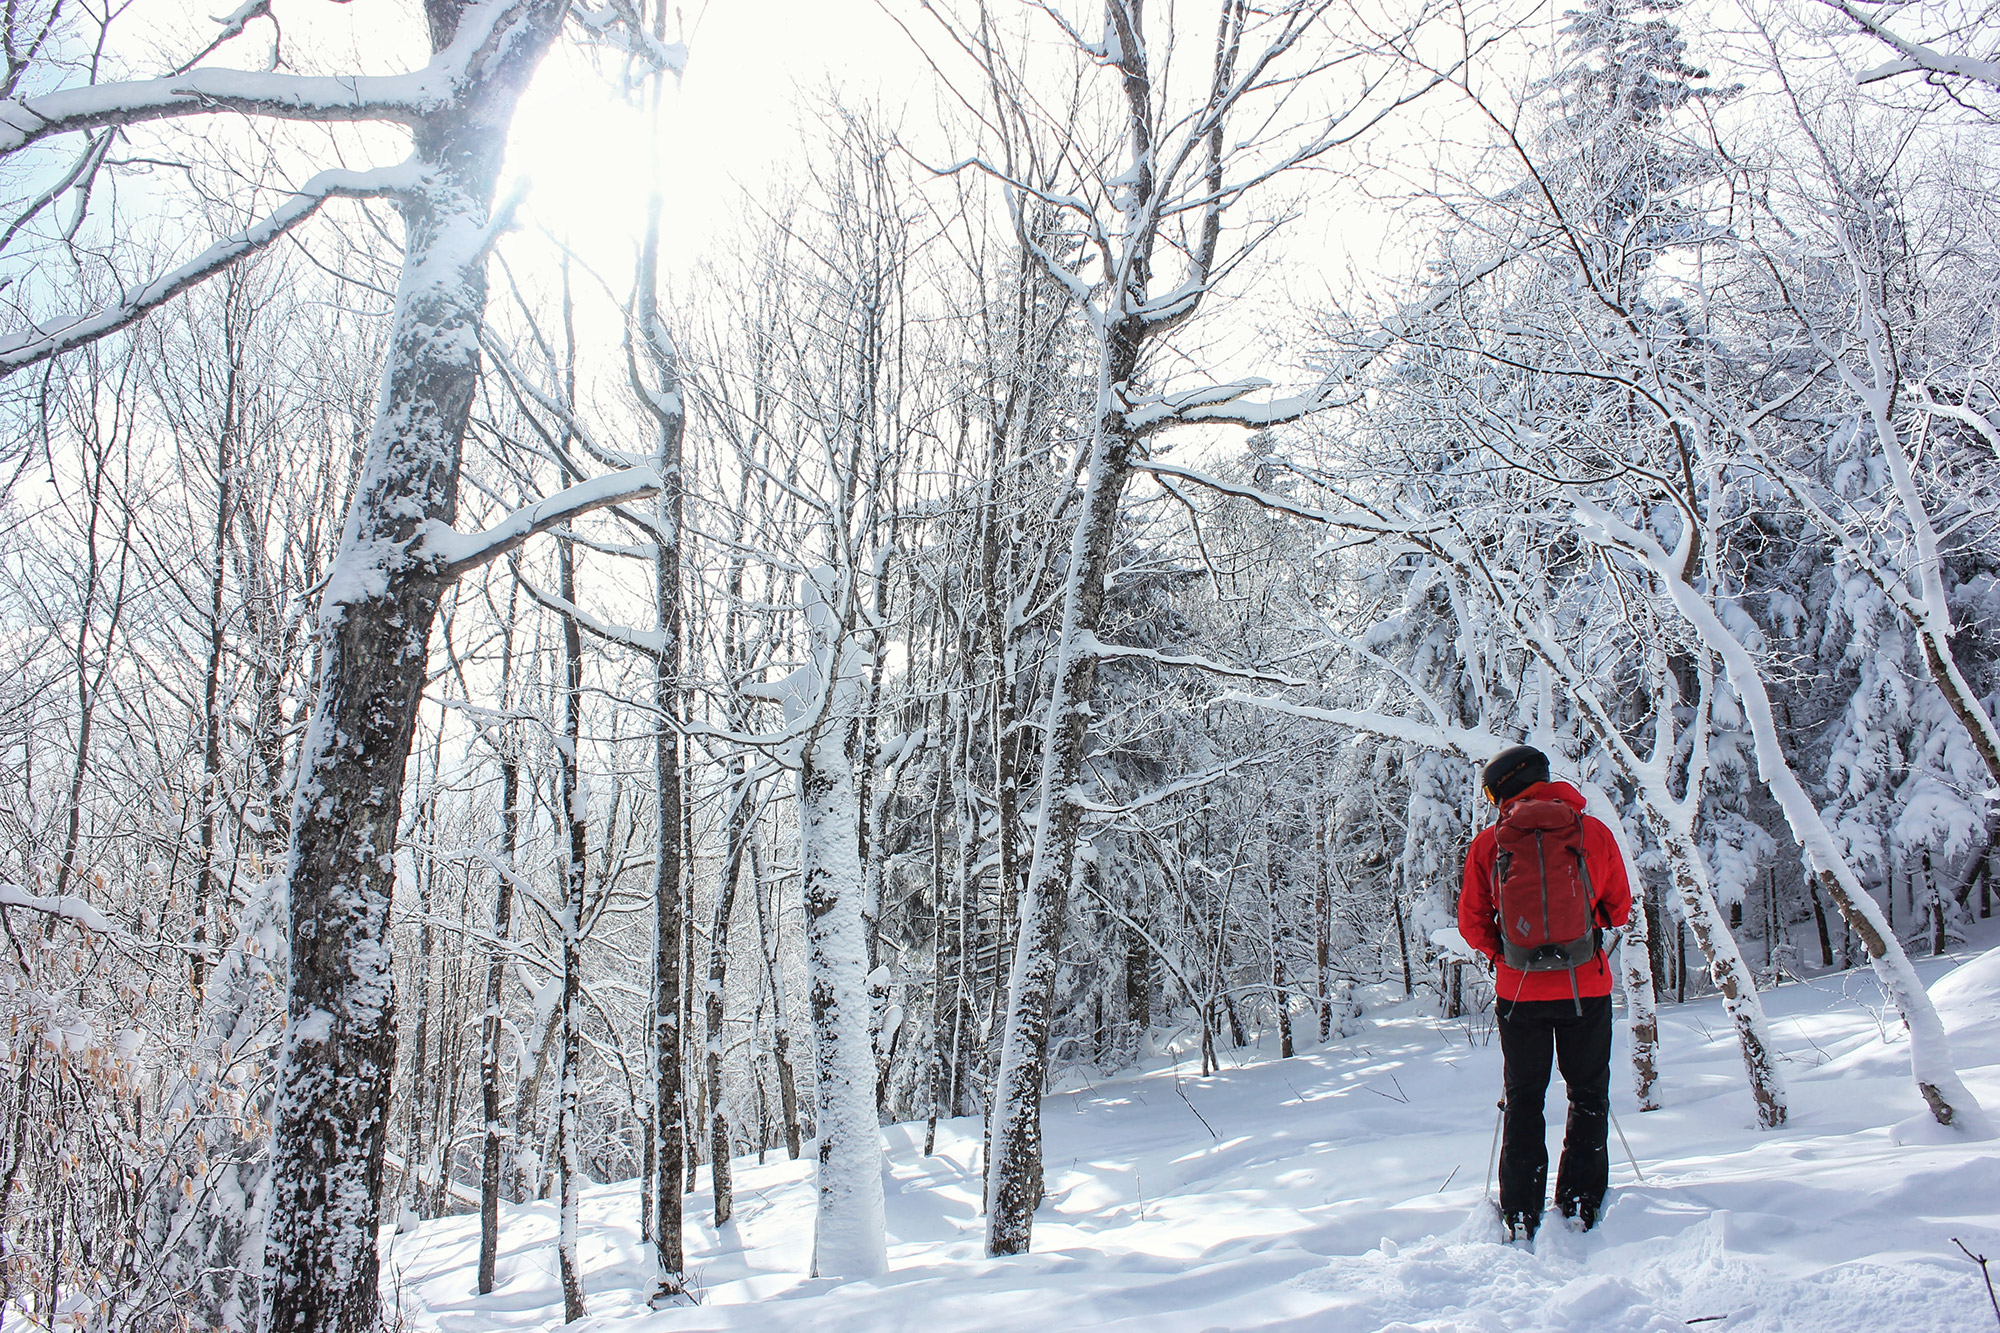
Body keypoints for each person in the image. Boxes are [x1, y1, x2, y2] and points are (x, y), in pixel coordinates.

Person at [1457, 744, 1632, 1241]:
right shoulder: (1591, 832)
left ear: (1503, 792)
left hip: (1520, 995)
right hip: (1586, 989)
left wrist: (1506, 957)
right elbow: (1618, 909)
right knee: (1589, 1094)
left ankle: (1521, 1211)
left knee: (1525, 1099)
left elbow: (1472, 922)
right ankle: (1580, 1204)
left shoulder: (1489, 844)